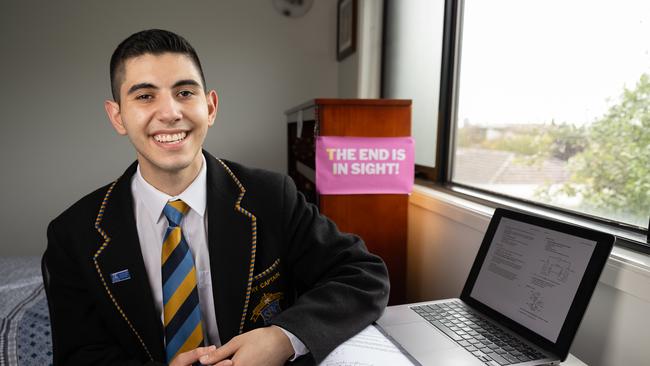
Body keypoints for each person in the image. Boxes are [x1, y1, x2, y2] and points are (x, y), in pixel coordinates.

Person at [43, 29, 389, 366]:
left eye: (185, 93)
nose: (169, 113)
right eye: (145, 96)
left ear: (210, 107)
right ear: (117, 116)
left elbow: (362, 274)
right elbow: (79, 355)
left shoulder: (272, 197)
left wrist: (283, 337)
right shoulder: (74, 235)